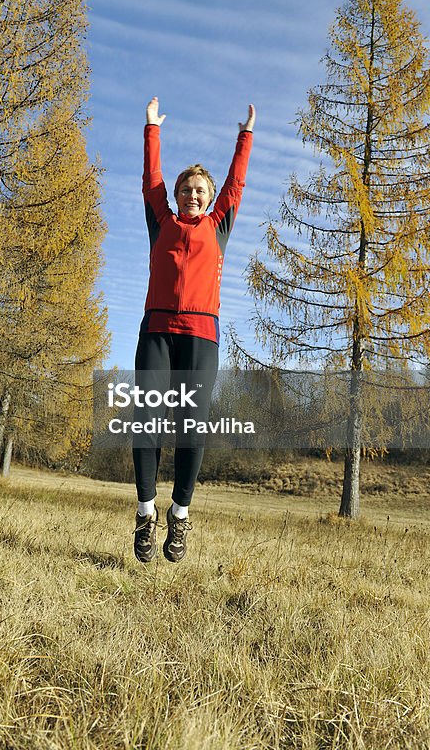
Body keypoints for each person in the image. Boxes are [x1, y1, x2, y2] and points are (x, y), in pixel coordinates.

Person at [133, 96, 255, 563]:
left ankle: (179, 516)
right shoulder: (160, 220)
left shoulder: (219, 225)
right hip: (157, 334)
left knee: (191, 427)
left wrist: (245, 136)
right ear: (178, 195)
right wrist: (152, 129)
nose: (194, 195)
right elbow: (152, 181)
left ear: (209, 198)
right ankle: (146, 513)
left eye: (200, 190)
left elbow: (236, 184)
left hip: (202, 338)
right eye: (187, 189)